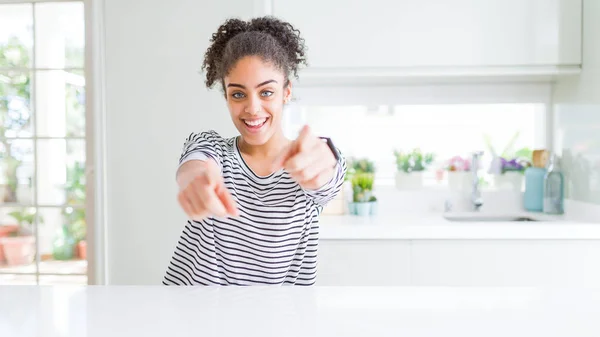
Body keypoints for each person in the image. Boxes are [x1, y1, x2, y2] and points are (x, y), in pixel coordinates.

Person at [163, 16, 347, 286]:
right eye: (238, 94)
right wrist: (196, 180)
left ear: (286, 92)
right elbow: (195, 165)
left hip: (278, 319)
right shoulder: (212, 148)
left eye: (266, 92)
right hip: (195, 316)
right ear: (226, 96)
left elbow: (327, 175)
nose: (252, 108)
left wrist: (322, 165)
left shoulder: (306, 160)